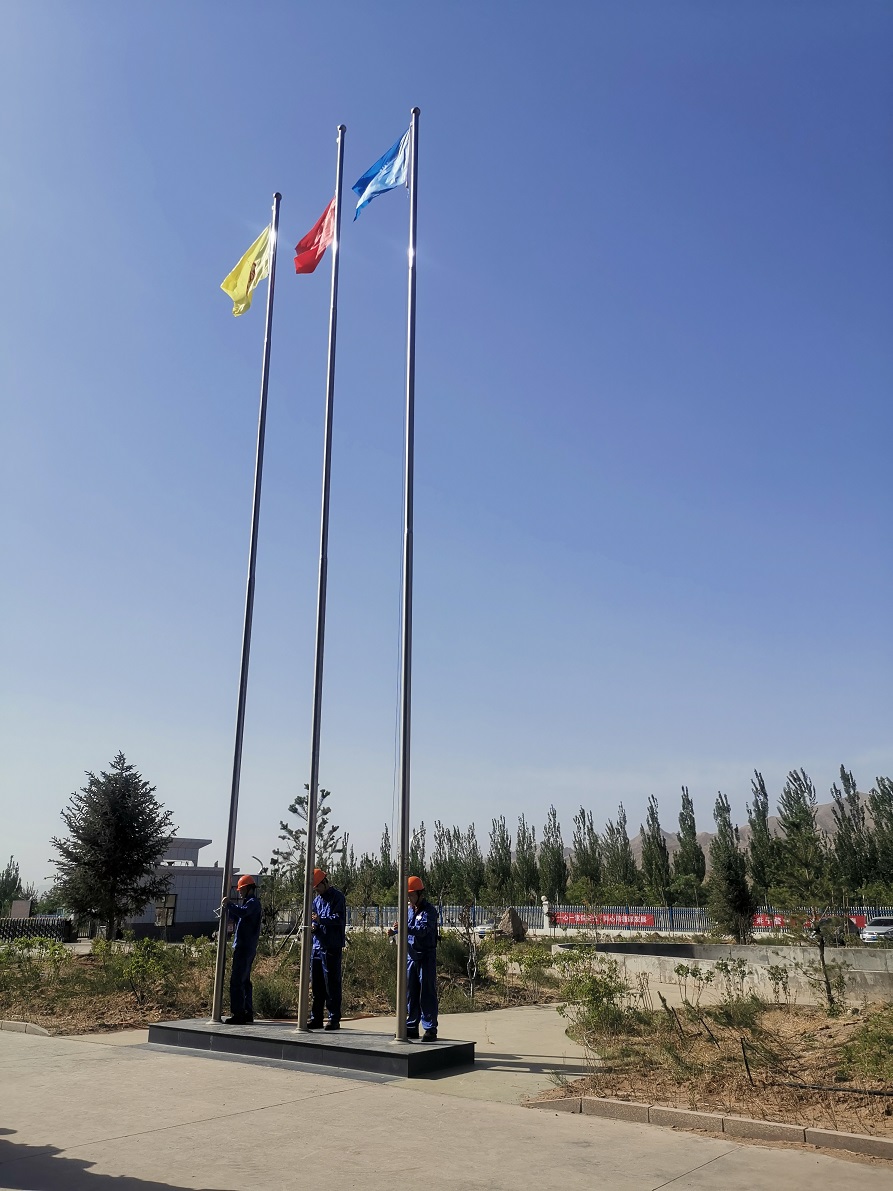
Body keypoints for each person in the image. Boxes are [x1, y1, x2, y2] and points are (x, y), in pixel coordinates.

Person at [391, 875, 439, 1041]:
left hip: (426, 956)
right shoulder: (408, 910)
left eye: (411, 895)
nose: (409, 898)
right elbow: (406, 929)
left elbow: (423, 930)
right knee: (411, 993)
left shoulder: (429, 911)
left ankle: (430, 1028)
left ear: (420, 894)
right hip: (411, 956)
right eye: (407, 895)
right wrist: (395, 930)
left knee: (427, 992)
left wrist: (405, 927)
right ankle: (411, 1026)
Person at [308, 867, 346, 1030]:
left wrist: (321, 920)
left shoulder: (337, 897)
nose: (316, 890)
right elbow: (314, 919)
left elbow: (338, 918)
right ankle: (316, 1017)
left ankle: (333, 1018)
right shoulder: (316, 901)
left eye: (318, 886)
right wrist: (314, 926)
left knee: (331, 983)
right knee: (317, 984)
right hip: (317, 945)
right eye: (314, 887)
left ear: (324, 882)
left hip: (331, 945)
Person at [223, 874, 262, 1025]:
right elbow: (239, 915)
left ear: (247, 889)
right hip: (245, 946)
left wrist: (229, 904)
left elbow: (242, 912)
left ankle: (239, 1013)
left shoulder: (252, 903)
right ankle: (246, 1012)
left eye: (241, 890)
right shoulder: (248, 903)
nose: (239, 892)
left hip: (245, 947)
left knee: (237, 981)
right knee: (244, 981)